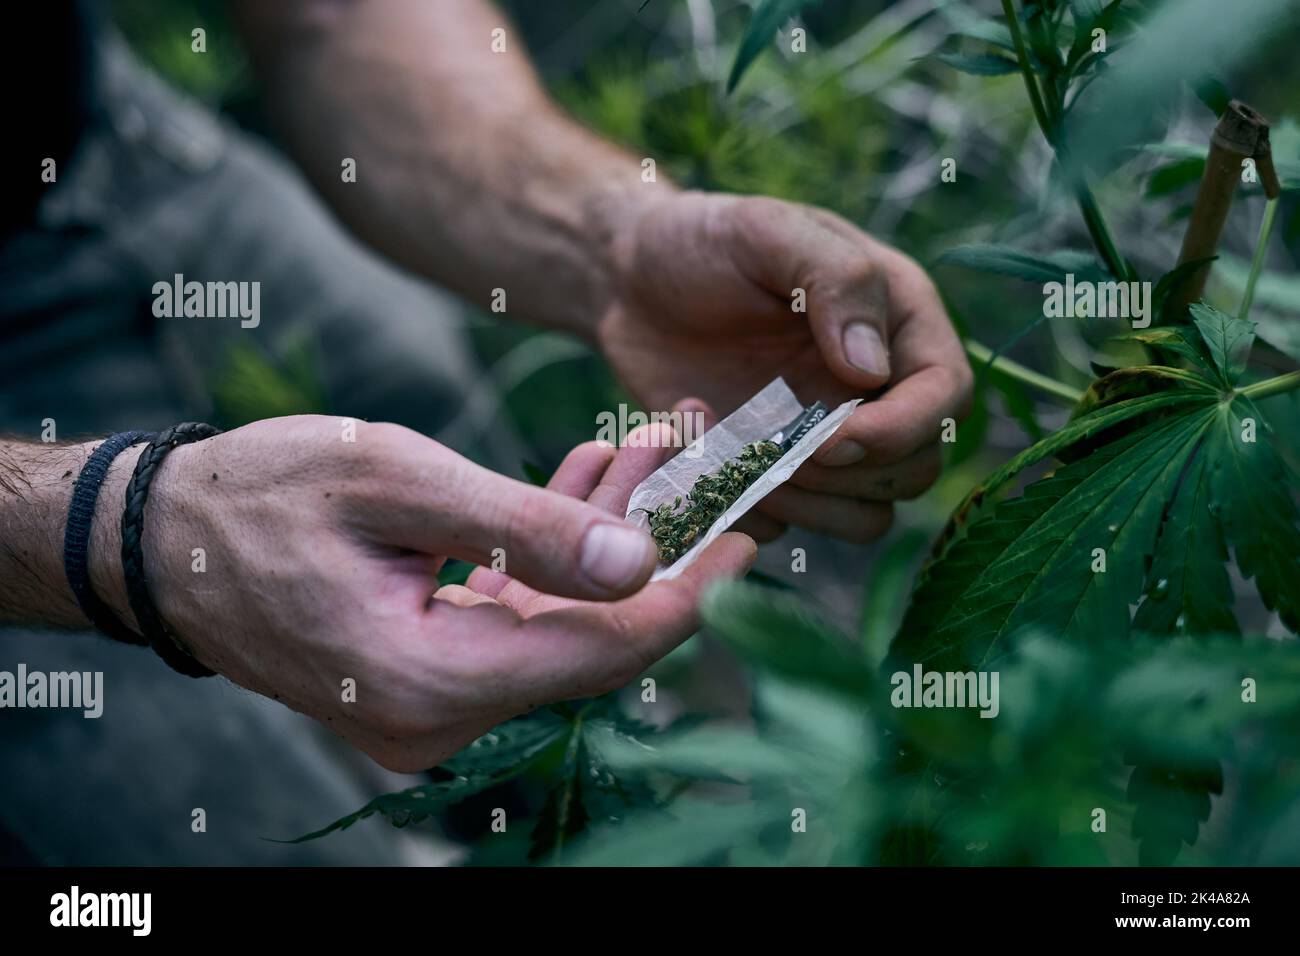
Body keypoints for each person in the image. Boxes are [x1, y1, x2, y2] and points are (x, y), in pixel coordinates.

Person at [0, 0, 971, 864]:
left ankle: (566, 792)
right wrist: (113, 529)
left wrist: (617, 244)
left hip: (98, 137)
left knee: (414, 394)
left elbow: (327, 17)